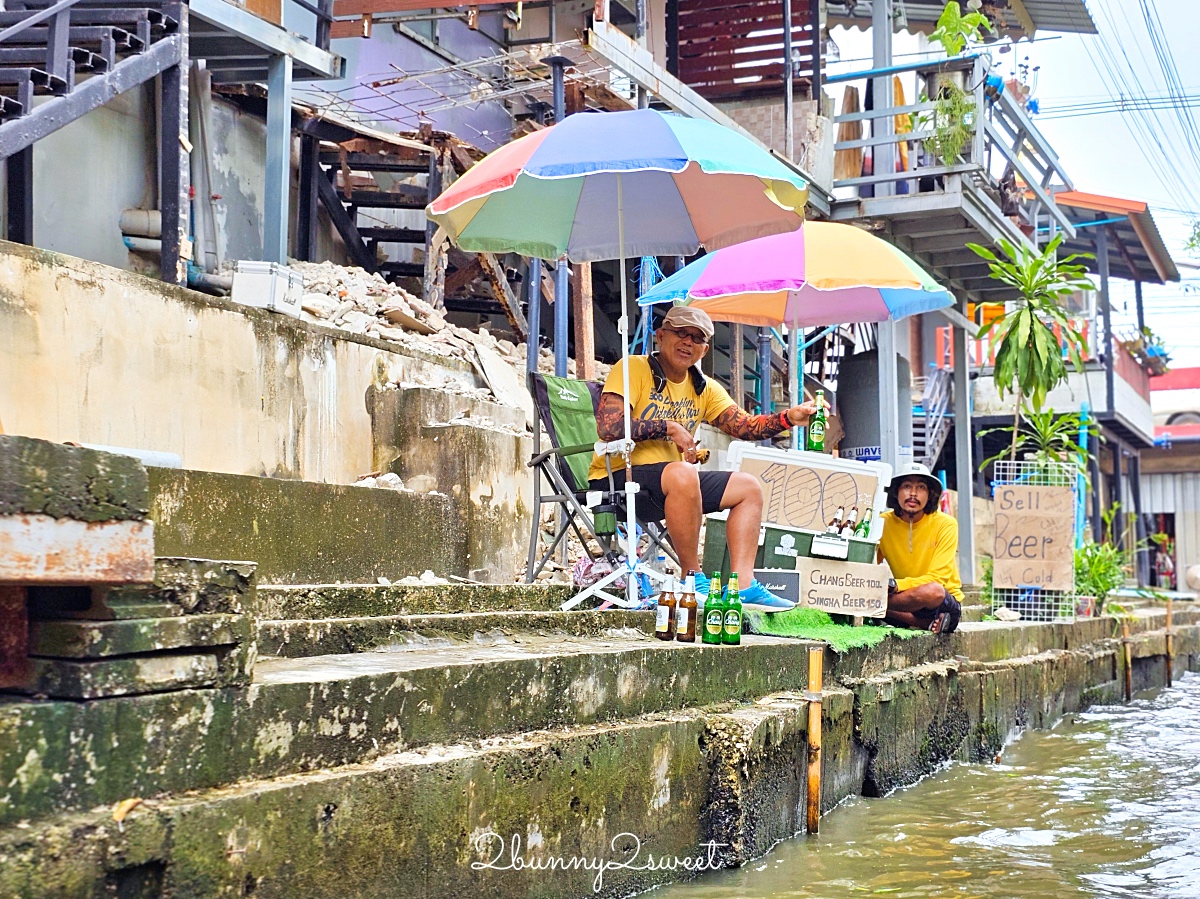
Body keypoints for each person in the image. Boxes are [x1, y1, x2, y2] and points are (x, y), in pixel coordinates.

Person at [587, 306, 817, 612]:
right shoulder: (632, 368)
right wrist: (669, 428)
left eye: (697, 338)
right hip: (619, 478)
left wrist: (789, 417)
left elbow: (744, 427)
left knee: (747, 487)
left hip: (674, 485)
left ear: (704, 349)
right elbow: (609, 427)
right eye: (681, 333)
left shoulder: (704, 387)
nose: (688, 342)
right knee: (684, 473)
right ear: (661, 335)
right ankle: (692, 579)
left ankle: (744, 586)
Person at [877, 463, 962, 634]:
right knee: (861, 593)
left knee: (933, 591)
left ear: (930, 494)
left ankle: (876, 606)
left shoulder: (946, 524)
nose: (913, 493)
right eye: (907, 486)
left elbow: (938, 578)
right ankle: (924, 623)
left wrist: (896, 585)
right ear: (896, 492)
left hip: (938, 601)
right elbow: (867, 562)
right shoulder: (882, 522)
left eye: (921, 487)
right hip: (903, 601)